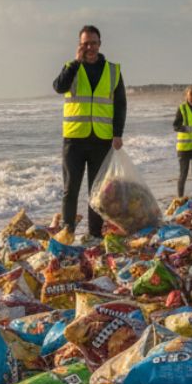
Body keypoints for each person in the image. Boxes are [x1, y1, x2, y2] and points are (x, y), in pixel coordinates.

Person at [53, 24, 126, 242]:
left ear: (100, 44)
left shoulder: (113, 71)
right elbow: (59, 87)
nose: (90, 47)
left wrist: (118, 133)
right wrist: (76, 62)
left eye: (93, 43)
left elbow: (120, 104)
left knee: (96, 191)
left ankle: (94, 234)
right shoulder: (71, 67)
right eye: (85, 43)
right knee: (70, 188)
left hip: (101, 140)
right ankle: (68, 232)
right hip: (74, 139)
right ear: (79, 45)